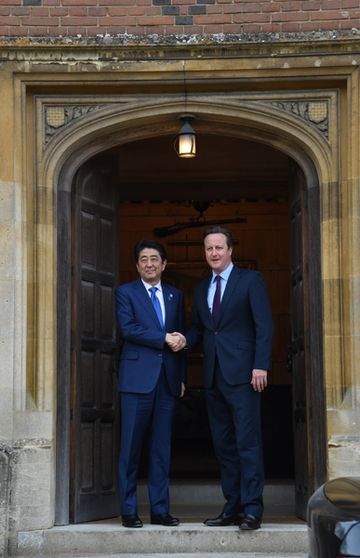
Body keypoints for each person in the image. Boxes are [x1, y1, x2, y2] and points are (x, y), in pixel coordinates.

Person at [176, 225, 274, 530]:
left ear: (230, 250)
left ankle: (253, 509)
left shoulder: (251, 280)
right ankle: (232, 507)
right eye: (209, 249)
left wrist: (261, 365)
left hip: (245, 375)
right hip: (213, 377)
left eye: (219, 247)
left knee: (247, 443)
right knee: (224, 447)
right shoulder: (202, 288)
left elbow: (264, 326)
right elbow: (202, 329)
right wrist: (184, 340)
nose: (214, 253)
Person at [114, 239, 186, 528]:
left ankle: (160, 510)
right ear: (137, 265)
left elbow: (179, 336)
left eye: (154, 259)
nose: (149, 264)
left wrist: (181, 376)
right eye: (143, 259)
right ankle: (129, 510)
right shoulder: (125, 292)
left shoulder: (175, 295)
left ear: (164, 264)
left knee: (161, 449)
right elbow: (128, 328)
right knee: (130, 449)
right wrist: (164, 338)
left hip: (167, 381)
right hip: (136, 382)